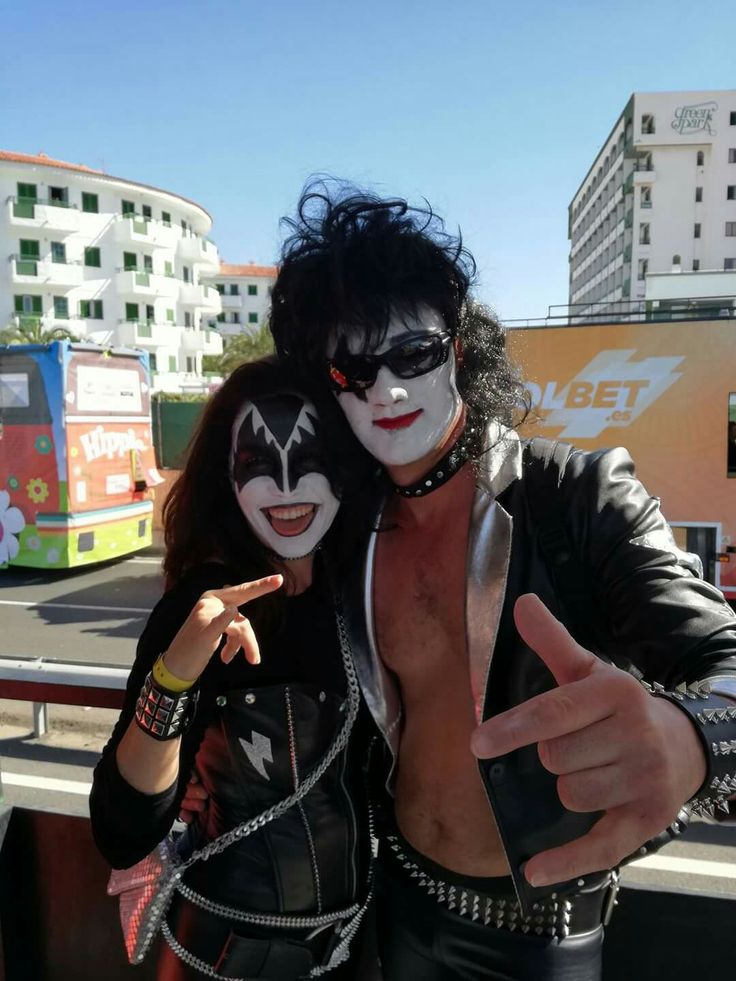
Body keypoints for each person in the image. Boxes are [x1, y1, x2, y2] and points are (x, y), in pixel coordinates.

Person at [268, 183, 736, 981]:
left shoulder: (576, 496)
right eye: (354, 369)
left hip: (544, 929)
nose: (386, 391)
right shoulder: (344, 531)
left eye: (411, 354)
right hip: (393, 904)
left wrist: (694, 738)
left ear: (455, 349)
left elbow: (724, 661)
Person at [90, 357, 377, 980]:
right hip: (224, 950)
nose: (285, 488)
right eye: (256, 466)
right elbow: (122, 829)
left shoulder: (365, 583)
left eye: (309, 460)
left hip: (356, 943)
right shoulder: (204, 606)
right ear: (227, 476)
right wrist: (175, 677)